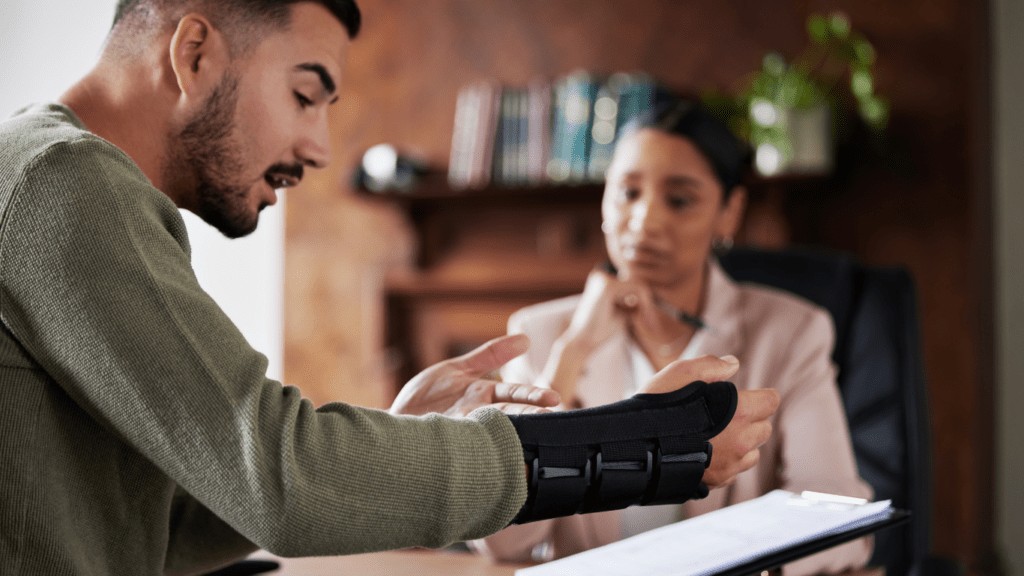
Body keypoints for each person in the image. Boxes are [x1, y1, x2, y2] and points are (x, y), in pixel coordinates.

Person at [0, 2, 781, 574]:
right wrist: (653, 443)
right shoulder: (62, 183)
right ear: (194, 50)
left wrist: (396, 428)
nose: (318, 147)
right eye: (307, 95)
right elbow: (277, 478)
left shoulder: (59, 183)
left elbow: (176, 517)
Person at [473, 99, 873, 576]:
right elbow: (505, 543)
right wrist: (574, 349)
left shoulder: (792, 333)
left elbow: (836, 512)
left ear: (729, 213)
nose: (644, 221)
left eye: (679, 200)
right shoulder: (539, 334)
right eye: (627, 193)